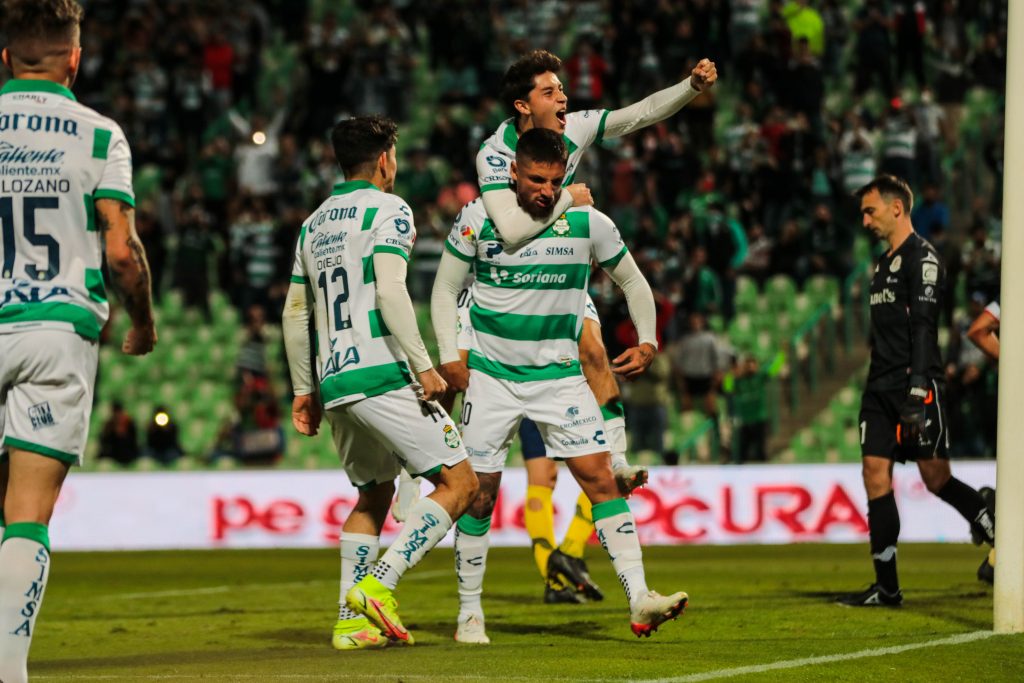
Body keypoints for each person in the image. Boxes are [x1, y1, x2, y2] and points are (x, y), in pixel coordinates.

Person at [431, 49, 717, 601]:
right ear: (522, 104)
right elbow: (512, 229)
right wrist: (568, 198)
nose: (564, 98)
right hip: (501, 282)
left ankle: (616, 456)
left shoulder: (575, 128)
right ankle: (418, 475)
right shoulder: (494, 155)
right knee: (462, 400)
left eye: (562, 88)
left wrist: (690, 87)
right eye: (549, 90)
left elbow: (638, 115)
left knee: (592, 345)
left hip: (558, 273)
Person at [0, 2, 157, 680]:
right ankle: (10, 669)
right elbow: (120, 250)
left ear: (4, 56)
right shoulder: (98, 135)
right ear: (74, 57)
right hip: (57, 332)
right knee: (26, 513)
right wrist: (143, 320)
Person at [281, 115, 478, 651]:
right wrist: (424, 366)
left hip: (335, 379)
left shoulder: (313, 223)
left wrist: (304, 389)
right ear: (386, 159)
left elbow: (295, 312)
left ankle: (350, 624)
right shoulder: (390, 209)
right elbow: (391, 293)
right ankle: (378, 588)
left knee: (372, 495)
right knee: (461, 485)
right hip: (382, 373)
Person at [837, 175, 995, 607]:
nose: (865, 219)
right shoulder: (881, 263)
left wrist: (919, 387)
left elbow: (925, 327)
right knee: (874, 475)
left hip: (915, 382)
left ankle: (993, 522)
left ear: (896, 208)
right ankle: (887, 587)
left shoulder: (923, 259)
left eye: (870, 210)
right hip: (878, 388)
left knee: (935, 477)